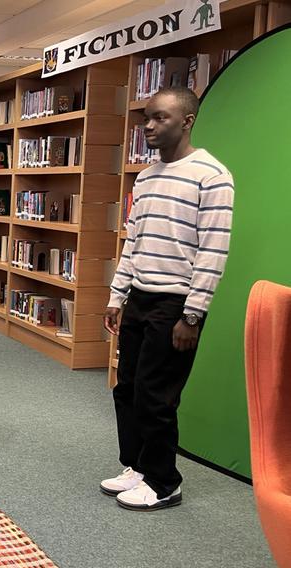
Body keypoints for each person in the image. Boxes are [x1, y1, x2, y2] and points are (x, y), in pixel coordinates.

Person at [101, 86, 234, 511]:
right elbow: (133, 240)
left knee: (157, 396)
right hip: (139, 296)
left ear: (187, 121)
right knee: (128, 388)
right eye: (146, 118)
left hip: (177, 305)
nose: (149, 127)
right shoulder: (145, 177)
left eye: (160, 118)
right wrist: (116, 295)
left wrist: (193, 315)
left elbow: (213, 249)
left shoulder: (212, 176)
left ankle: (163, 482)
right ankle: (137, 467)